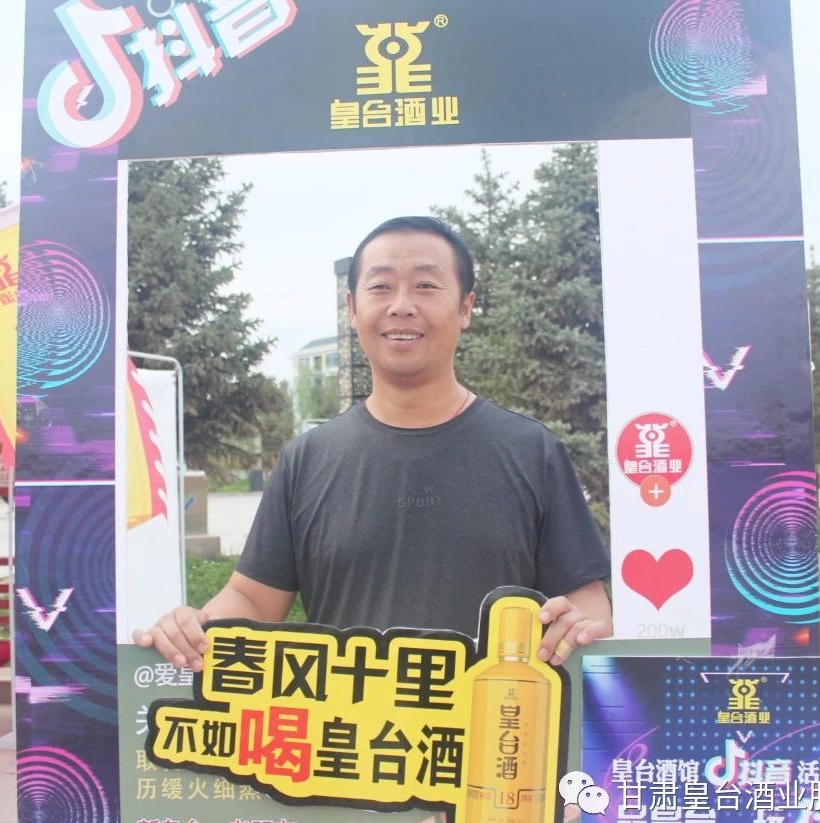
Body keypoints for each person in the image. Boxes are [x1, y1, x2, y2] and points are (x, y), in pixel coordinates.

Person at [134, 216, 612, 670]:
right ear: (352, 308)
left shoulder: (531, 451)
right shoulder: (307, 459)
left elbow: (588, 605)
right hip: (348, 725)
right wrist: (193, 630)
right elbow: (254, 600)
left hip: (495, 721)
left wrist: (580, 625)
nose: (401, 305)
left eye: (426, 285)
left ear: (466, 307)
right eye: (380, 286)